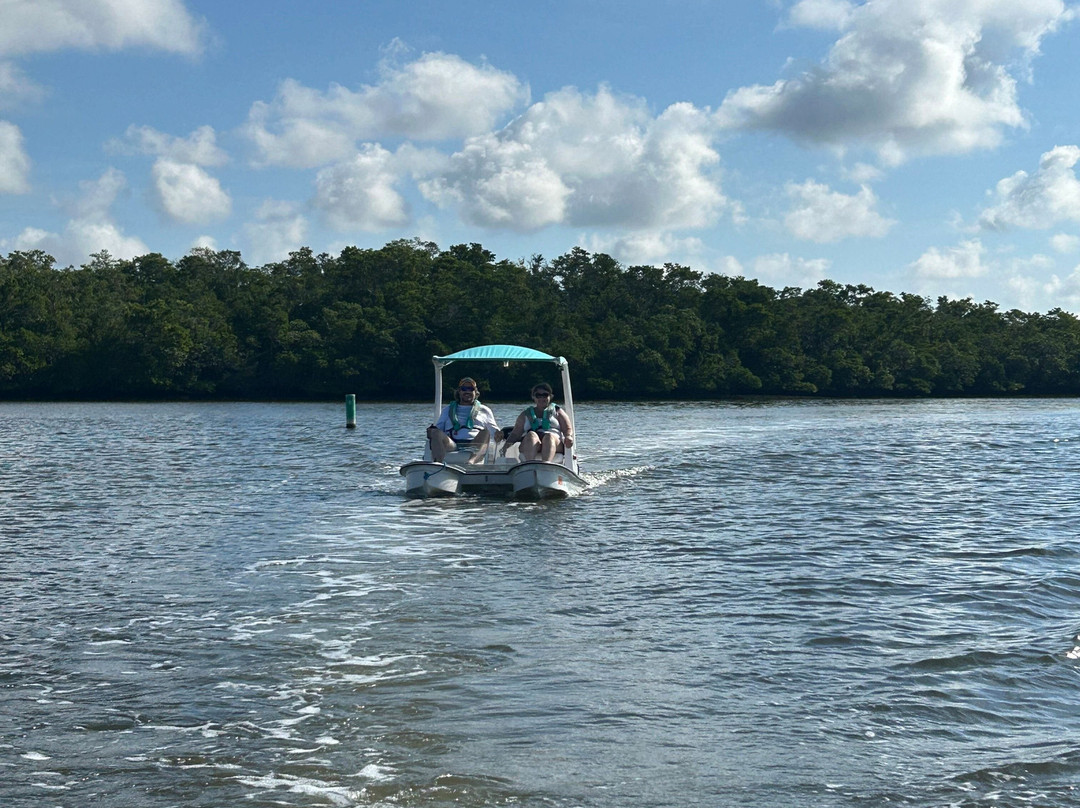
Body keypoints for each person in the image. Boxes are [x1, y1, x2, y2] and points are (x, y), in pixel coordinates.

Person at [427, 377, 500, 465]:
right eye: (464, 389)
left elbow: (495, 431)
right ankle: (437, 465)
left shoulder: (485, 410)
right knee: (435, 433)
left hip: (474, 444)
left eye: (471, 389)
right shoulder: (448, 409)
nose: (467, 392)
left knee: (486, 433)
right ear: (459, 392)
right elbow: (438, 430)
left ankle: (470, 462)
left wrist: (500, 434)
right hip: (453, 443)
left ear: (475, 392)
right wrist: (431, 431)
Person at [504, 382, 574, 462]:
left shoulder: (557, 411)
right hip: (531, 442)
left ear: (550, 396)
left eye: (545, 395)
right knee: (531, 435)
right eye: (538, 395)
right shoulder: (525, 414)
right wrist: (505, 447)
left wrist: (568, 436)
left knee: (548, 437)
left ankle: (546, 464)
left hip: (554, 441)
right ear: (533, 397)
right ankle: (530, 464)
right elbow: (515, 434)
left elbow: (567, 428)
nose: (541, 398)